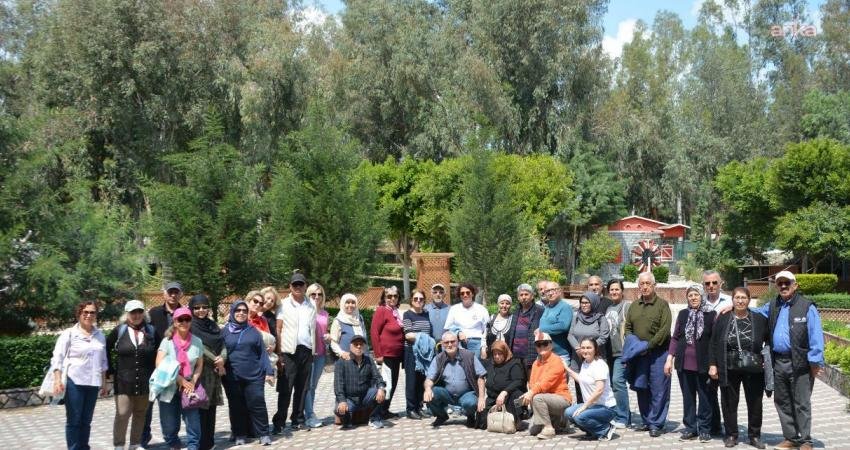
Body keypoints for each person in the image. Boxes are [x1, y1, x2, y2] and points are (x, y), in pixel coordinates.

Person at [750, 271, 824, 450]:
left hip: (801, 362)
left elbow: (816, 335)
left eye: (787, 283)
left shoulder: (807, 306)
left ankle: (806, 441)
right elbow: (756, 313)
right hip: (778, 362)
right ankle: (790, 438)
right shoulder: (772, 305)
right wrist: (735, 306)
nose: (783, 286)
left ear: (795, 285)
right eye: (780, 283)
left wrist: (815, 361)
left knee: (802, 403)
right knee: (782, 402)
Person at [710, 287, 770, 449]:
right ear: (732, 300)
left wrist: (766, 358)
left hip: (753, 367)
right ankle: (731, 434)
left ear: (749, 300)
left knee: (755, 402)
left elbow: (769, 340)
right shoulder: (723, 318)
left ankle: (754, 436)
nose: (740, 301)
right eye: (737, 298)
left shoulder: (759, 319)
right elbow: (714, 342)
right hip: (728, 366)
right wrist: (713, 364)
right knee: (729, 402)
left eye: (744, 298)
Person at [49, 301, 109, 450]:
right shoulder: (69, 333)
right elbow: (57, 357)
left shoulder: (100, 335)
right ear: (79, 314)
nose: (89, 315)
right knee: (74, 420)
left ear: (96, 315)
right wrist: (57, 379)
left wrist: (104, 382)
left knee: (86, 420)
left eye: (92, 312)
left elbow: (103, 361)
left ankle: (84, 447)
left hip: (93, 383)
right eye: (85, 312)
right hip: (74, 382)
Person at [664, 285, 716, 443]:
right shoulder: (683, 314)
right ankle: (691, 428)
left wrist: (713, 364)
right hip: (684, 364)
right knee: (688, 398)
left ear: (702, 296)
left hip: (704, 364)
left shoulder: (711, 314)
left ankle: (705, 429)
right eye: (690, 295)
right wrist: (669, 358)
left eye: (696, 295)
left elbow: (714, 341)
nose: (693, 298)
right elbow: (675, 337)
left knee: (705, 398)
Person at [624, 271, 672, 437]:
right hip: (639, 354)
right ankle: (646, 421)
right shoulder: (634, 306)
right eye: (642, 284)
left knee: (659, 389)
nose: (644, 287)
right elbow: (628, 328)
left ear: (654, 285)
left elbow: (664, 330)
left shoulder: (662, 305)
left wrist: (648, 346)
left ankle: (656, 423)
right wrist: (634, 345)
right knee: (642, 387)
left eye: (648, 284)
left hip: (658, 353)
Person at [221, 300, 275, 446]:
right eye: (238, 310)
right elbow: (220, 352)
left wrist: (269, 371)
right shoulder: (224, 332)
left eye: (244, 311)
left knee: (257, 404)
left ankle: (263, 434)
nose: (241, 313)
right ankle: (239, 434)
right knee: (236, 406)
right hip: (232, 377)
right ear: (232, 312)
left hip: (254, 376)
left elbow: (262, 353)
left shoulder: (253, 331)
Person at [107, 300, 157, 450]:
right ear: (127, 314)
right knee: (122, 413)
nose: (136, 315)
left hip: (145, 380)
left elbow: (161, 350)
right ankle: (119, 445)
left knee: (140, 413)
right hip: (123, 380)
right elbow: (106, 348)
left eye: (139, 311)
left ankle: (135, 444)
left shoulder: (151, 331)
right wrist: (109, 370)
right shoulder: (119, 330)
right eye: (133, 312)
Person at [155, 307, 204, 450]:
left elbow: (199, 365)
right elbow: (159, 364)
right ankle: (173, 443)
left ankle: (193, 446)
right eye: (180, 320)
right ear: (175, 322)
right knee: (169, 423)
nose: (184, 322)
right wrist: (180, 380)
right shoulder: (167, 341)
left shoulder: (197, 341)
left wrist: (193, 381)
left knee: (193, 420)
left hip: (189, 385)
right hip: (168, 385)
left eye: (187, 319)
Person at [273, 272, 316, 433]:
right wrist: (279, 353)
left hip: (306, 350)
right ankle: (279, 422)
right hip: (288, 351)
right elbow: (278, 329)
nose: (298, 287)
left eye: (301, 284)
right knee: (286, 388)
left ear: (305, 286)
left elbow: (313, 329)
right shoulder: (283, 304)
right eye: (295, 284)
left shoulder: (311, 305)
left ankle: (298, 419)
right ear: (290, 287)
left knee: (303, 388)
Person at [144, 281, 183, 447]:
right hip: (154, 366)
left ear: (180, 294)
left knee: (170, 406)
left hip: (177, 367)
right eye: (170, 292)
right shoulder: (153, 313)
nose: (173, 295)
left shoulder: (185, 313)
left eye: (176, 292)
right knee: (146, 407)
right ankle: (143, 438)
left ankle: (172, 438)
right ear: (164, 293)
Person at [423, 331, 487, 428]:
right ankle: (441, 416)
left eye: (452, 341)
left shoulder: (469, 356)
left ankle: (470, 416)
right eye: (446, 342)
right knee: (431, 393)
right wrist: (427, 389)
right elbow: (429, 378)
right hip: (447, 394)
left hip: (466, 394)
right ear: (442, 344)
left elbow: (481, 376)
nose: (450, 345)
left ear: (457, 342)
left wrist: (481, 397)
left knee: (471, 403)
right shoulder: (438, 358)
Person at [188, 295, 225, 450]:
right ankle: (201, 443)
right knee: (201, 408)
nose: (201, 310)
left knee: (211, 408)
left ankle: (209, 442)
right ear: (191, 309)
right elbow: (199, 347)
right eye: (197, 308)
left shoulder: (212, 325)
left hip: (214, 374)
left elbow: (222, 343)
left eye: (204, 307)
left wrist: (222, 358)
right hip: (199, 373)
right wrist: (217, 360)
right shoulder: (190, 326)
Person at [521, 331, 573, 440]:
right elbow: (532, 384)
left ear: (551, 345)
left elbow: (547, 382)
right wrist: (529, 394)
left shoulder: (557, 360)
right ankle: (558, 421)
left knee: (537, 397)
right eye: (538, 344)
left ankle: (549, 428)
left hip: (561, 399)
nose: (542, 347)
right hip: (544, 399)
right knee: (532, 430)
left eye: (545, 343)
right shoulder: (535, 363)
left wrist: (532, 392)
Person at [564, 338, 617, 441]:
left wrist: (584, 406)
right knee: (569, 413)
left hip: (606, 407)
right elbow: (581, 379)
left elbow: (599, 390)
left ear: (595, 349)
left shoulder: (599, 365)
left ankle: (605, 429)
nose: (585, 350)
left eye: (589, 348)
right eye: (583, 348)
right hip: (592, 406)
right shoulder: (585, 363)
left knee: (579, 416)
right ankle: (592, 431)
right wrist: (566, 369)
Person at [333, 335, 387, 429]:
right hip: (349, 398)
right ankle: (347, 421)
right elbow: (338, 385)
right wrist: (342, 401)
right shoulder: (341, 362)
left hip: (365, 396)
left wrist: (381, 388)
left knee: (382, 392)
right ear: (350, 346)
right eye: (356, 344)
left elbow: (378, 377)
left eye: (361, 344)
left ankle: (374, 419)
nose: (358, 346)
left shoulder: (369, 360)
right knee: (339, 410)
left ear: (364, 347)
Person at [703, 269, 732, 435]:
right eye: (707, 283)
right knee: (709, 391)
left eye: (714, 282)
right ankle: (714, 425)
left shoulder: (730, 301)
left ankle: (730, 429)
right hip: (707, 353)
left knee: (727, 393)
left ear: (721, 283)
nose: (711, 286)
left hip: (726, 353)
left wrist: (733, 307)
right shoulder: (700, 302)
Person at [370, 285, 405, 419]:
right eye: (389, 296)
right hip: (386, 355)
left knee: (393, 384)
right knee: (386, 384)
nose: (392, 298)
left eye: (395, 296)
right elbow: (374, 332)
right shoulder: (381, 310)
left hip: (396, 355)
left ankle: (385, 409)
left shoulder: (396, 312)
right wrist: (378, 354)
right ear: (384, 298)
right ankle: (379, 411)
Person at [568, 291, 610, 403]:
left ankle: (595, 409)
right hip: (578, 357)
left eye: (587, 302)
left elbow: (604, 337)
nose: (584, 305)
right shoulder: (576, 317)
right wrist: (578, 348)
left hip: (594, 358)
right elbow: (570, 335)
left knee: (595, 386)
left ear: (593, 303)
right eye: (582, 302)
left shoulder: (601, 318)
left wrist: (589, 348)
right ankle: (580, 407)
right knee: (579, 385)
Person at [604, 279, 631, 428]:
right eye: (611, 290)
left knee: (618, 382)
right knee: (612, 384)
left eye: (617, 289)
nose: (614, 292)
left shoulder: (627, 306)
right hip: (610, 352)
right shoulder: (609, 308)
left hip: (622, 352)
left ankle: (623, 418)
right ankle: (621, 414)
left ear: (622, 291)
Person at [481, 341, 527, 431]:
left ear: (505, 353)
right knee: (482, 421)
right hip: (493, 398)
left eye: (499, 354)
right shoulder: (491, 364)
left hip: (511, 397)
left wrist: (504, 392)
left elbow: (519, 381)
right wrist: (481, 398)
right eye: (495, 354)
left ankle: (517, 419)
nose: (497, 356)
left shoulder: (514, 363)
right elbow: (480, 376)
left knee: (517, 397)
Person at [403, 289, 433, 419]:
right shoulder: (407, 314)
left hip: (424, 352)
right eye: (416, 299)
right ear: (411, 300)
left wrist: (426, 341)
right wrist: (424, 338)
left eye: (421, 299)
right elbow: (408, 335)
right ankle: (410, 409)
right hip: (411, 352)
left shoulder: (426, 314)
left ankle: (419, 407)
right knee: (412, 381)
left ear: (424, 301)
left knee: (422, 380)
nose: (418, 301)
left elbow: (429, 332)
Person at [304, 283, 331, 428]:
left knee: (313, 386)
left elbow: (324, 331)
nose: (316, 296)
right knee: (308, 385)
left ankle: (308, 413)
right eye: (313, 294)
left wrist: (328, 336)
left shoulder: (325, 313)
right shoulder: (305, 311)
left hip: (321, 353)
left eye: (319, 294)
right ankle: (310, 415)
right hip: (308, 353)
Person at [444, 282, 489, 360]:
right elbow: (447, 328)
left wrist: (483, 347)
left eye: (468, 292)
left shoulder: (482, 309)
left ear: (472, 294)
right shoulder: (454, 309)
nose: (465, 295)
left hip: (476, 344)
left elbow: (486, 330)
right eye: (462, 293)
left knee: (474, 366)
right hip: (458, 344)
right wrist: (458, 332)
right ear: (459, 295)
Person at [506, 283, 545, 371]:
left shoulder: (540, 310)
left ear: (532, 296)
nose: (523, 297)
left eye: (526, 294)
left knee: (532, 379)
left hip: (531, 354)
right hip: (515, 355)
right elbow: (512, 332)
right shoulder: (515, 311)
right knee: (518, 379)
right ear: (518, 297)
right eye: (521, 295)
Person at [537, 281, 573, 369]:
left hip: (560, 354)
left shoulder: (565, 307)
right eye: (547, 291)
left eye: (553, 290)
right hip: (545, 353)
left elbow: (563, 326)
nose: (550, 293)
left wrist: (541, 329)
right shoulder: (547, 307)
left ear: (559, 291)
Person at [330, 293, 370, 359]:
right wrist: (341, 353)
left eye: (353, 302)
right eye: (347, 302)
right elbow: (333, 342)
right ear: (343, 304)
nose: (350, 305)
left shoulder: (360, 318)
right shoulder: (338, 321)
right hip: (347, 359)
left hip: (362, 359)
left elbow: (364, 338)